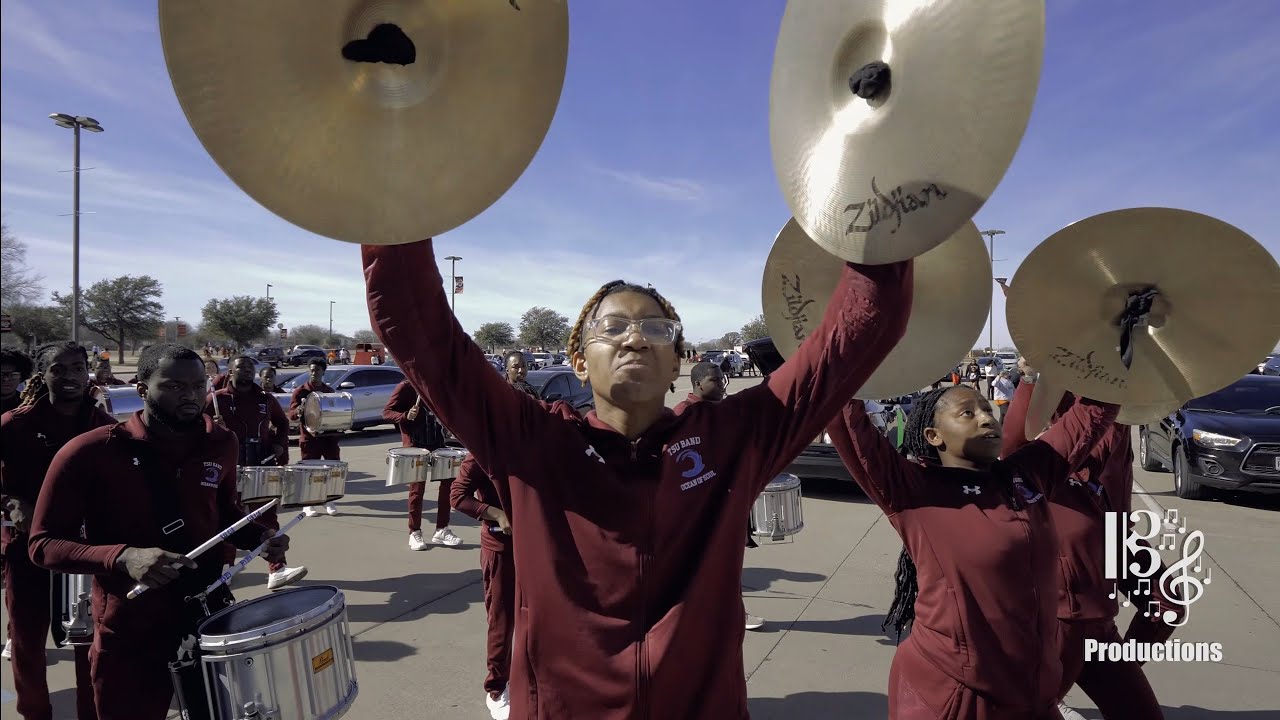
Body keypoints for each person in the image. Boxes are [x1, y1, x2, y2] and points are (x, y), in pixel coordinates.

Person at [361, 238, 912, 718]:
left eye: (656, 328)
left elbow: (850, 342)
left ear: (676, 363)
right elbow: (417, 329)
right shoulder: (533, 440)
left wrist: (872, 208)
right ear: (580, 360)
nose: (636, 338)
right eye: (614, 327)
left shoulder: (732, 437)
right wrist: (403, 196)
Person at [823, 366, 1118, 719]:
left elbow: (1092, 415)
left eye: (987, 410)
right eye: (968, 413)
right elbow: (846, 421)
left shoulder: (1027, 475)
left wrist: (1112, 346)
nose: (986, 419)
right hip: (955, 697)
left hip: (1034, 694)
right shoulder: (913, 489)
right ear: (934, 435)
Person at [28, 343, 289, 720]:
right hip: (129, 625)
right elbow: (43, 544)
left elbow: (223, 513)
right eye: (174, 386)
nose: (191, 396)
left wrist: (260, 537)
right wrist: (122, 557)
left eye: (199, 386)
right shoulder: (90, 451)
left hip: (206, 616)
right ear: (142, 388)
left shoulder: (222, 442)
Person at [1001, 375, 1178, 720]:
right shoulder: (1039, 457)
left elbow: (1121, 410)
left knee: (1168, 599)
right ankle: (1051, 691)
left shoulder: (1115, 427)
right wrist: (1029, 375)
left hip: (1112, 548)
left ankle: (1098, 671)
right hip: (1065, 610)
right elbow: (1014, 439)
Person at [1, 342, 113, 720]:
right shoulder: (14, 425)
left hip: (85, 551)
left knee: (88, 639)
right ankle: (35, 712)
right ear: (42, 375)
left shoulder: (105, 427)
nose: (70, 377)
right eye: (59, 369)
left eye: (78, 368)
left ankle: (89, 712)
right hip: (27, 548)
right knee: (28, 639)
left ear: (88, 373)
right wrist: (10, 502)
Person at [448, 366, 539, 719]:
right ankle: (496, 688)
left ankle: (532, 678)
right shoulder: (484, 450)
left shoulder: (537, 447)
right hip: (501, 549)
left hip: (535, 548)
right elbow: (457, 495)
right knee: (502, 621)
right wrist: (496, 514)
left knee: (540, 618)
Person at [673, 362, 766, 632]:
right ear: (699, 384)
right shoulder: (683, 416)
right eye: (716, 379)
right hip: (698, 510)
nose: (722, 385)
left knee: (728, 563)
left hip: (725, 503)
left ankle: (729, 613)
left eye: (723, 379)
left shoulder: (721, 412)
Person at [207, 355, 308, 589]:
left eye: (250, 367)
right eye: (241, 366)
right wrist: (211, 426)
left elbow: (283, 424)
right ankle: (226, 568)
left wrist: (279, 444)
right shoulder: (216, 399)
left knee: (266, 517)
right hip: (228, 467)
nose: (246, 370)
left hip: (260, 464)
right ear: (231, 371)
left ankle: (278, 569)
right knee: (229, 519)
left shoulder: (266, 399)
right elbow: (195, 425)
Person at [382, 379, 462, 549]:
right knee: (417, 491)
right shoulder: (406, 387)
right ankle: (414, 532)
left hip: (438, 443)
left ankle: (442, 529)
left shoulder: (439, 386)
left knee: (448, 486)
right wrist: (405, 416)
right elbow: (387, 412)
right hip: (415, 445)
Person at [288, 358, 340, 516]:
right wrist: (299, 410)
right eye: (311, 370)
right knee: (310, 470)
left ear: (323, 372)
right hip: (310, 438)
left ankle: (328, 499)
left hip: (328, 437)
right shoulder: (300, 391)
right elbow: (291, 415)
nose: (313, 373)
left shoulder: (329, 391)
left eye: (317, 370)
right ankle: (308, 503)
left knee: (332, 469)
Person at [1, 346, 33, 415]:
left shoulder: (29, 405)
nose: (6, 379)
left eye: (13, 375)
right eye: (1, 375)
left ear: (22, 376)